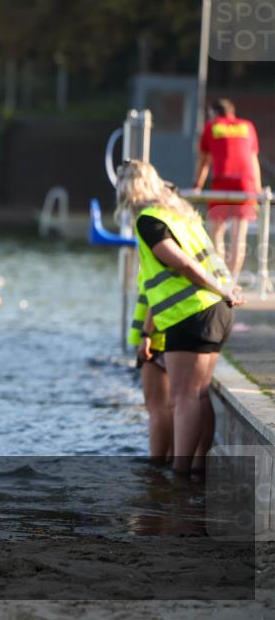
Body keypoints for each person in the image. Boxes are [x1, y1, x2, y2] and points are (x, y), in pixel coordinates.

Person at [116, 159, 243, 475]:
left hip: (192, 314)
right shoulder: (181, 215)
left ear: (127, 189)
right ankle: (198, 467)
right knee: (199, 394)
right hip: (215, 312)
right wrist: (224, 290)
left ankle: (180, 475)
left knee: (184, 396)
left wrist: (223, 289)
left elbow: (184, 265)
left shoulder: (149, 221)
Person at [193, 98, 263, 281]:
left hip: (222, 183)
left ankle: (219, 279)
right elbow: (253, 160)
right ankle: (232, 280)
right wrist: (258, 189)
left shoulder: (212, 126)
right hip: (246, 186)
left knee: (216, 232)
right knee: (239, 237)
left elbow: (203, 162)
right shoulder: (247, 126)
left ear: (215, 113)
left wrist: (197, 186)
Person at [129, 268, 171, 463]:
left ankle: (157, 468)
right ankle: (173, 461)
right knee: (172, 405)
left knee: (157, 406)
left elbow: (160, 291)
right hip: (170, 333)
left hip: (157, 338)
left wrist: (146, 333)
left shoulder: (157, 249)